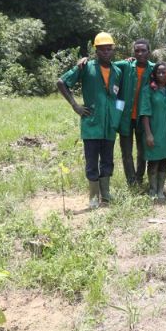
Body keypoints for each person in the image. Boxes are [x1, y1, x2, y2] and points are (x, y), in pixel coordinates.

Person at [57, 32, 123, 208]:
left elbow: (119, 98)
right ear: (96, 50)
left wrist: (117, 115)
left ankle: (106, 196)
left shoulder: (117, 71)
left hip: (109, 126)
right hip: (92, 124)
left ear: (113, 50)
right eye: (102, 49)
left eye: (109, 49)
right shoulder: (86, 67)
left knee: (108, 160)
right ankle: (93, 198)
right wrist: (75, 105)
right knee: (92, 161)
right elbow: (61, 82)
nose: (106, 52)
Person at [118, 39, 154, 188]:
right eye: (137, 51)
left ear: (148, 52)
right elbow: (104, 64)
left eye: (143, 50)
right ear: (133, 52)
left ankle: (139, 178)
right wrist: (85, 60)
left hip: (143, 118)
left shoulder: (153, 68)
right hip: (125, 117)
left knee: (142, 151)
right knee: (126, 152)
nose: (140, 53)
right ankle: (131, 182)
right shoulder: (126, 65)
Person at [140, 63, 166, 201]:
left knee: (164, 161)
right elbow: (145, 113)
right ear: (154, 74)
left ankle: (161, 190)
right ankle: (152, 190)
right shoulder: (148, 90)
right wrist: (148, 134)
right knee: (153, 162)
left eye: (164, 72)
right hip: (154, 130)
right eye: (159, 72)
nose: (162, 75)